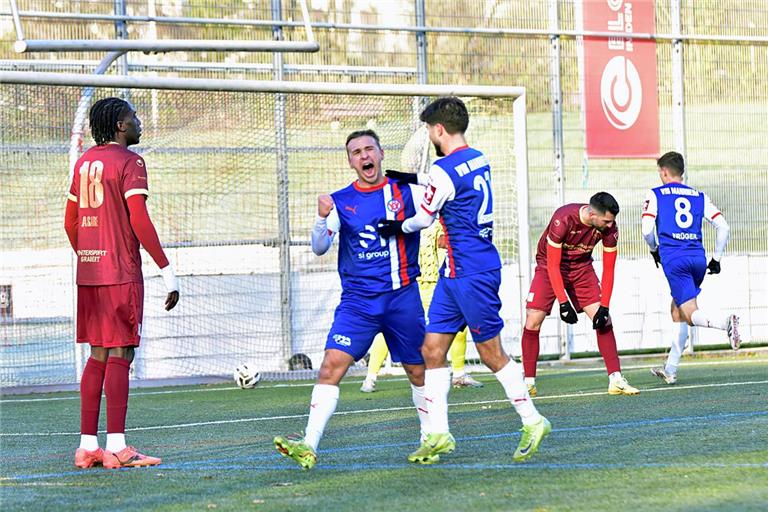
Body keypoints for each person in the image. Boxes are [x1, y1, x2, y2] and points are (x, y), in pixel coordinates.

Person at [378, 97, 550, 464]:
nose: (429, 136)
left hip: (471, 273)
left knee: (491, 354)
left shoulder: (443, 170)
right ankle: (439, 434)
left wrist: (395, 227)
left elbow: (424, 219)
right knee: (432, 351)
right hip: (455, 273)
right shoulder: (478, 157)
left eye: (428, 130)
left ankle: (533, 420)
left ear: (438, 130)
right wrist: (407, 178)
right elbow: (445, 183)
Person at [273, 130, 430, 470]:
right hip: (358, 303)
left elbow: (435, 208)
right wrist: (320, 217)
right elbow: (318, 247)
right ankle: (309, 445)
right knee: (331, 366)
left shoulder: (408, 192)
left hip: (402, 296)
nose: (363, 156)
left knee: (418, 370)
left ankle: (429, 436)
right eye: (356, 152)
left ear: (381, 153)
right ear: (350, 161)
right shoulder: (340, 200)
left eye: (368, 149)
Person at [65, 97, 179, 469]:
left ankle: (87, 448)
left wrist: (89, 256)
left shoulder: (83, 163)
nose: (138, 121)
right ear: (118, 125)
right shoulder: (131, 162)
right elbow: (139, 220)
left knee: (97, 354)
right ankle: (117, 447)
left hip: (90, 273)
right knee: (121, 354)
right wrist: (166, 269)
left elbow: (70, 223)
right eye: (132, 116)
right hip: (120, 273)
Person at [521, 193, 638, 397]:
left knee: (604, 320)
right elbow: (553, 265)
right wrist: (564, 303)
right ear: (592, 214)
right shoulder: (563, 219)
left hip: (581, 267)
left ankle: (616, 379)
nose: (611, 226)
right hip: (549, 265)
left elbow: (609, 270)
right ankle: (528, 383)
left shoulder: (610, 229)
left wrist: (605, 306)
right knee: (533, 319)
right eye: (607, 221)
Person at [642, 151, 739, 385]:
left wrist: (655, 249)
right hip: (697, 258)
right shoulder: (699, 196)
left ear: (664, 172)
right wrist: (716, 259)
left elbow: (647, 230)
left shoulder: (656, 194)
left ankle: (725, 322)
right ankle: (671, 369)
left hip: (674, 260)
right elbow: (723, 227)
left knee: (689, 311)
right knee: (677, 309)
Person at [360, 221, 482, 393]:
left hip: (434, 284)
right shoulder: (404, 221)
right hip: (409, 284)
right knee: (391, 328)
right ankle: (370, 377)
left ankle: (459, 374)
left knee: (459, 327)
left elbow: (442, 246)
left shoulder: (438, 221)